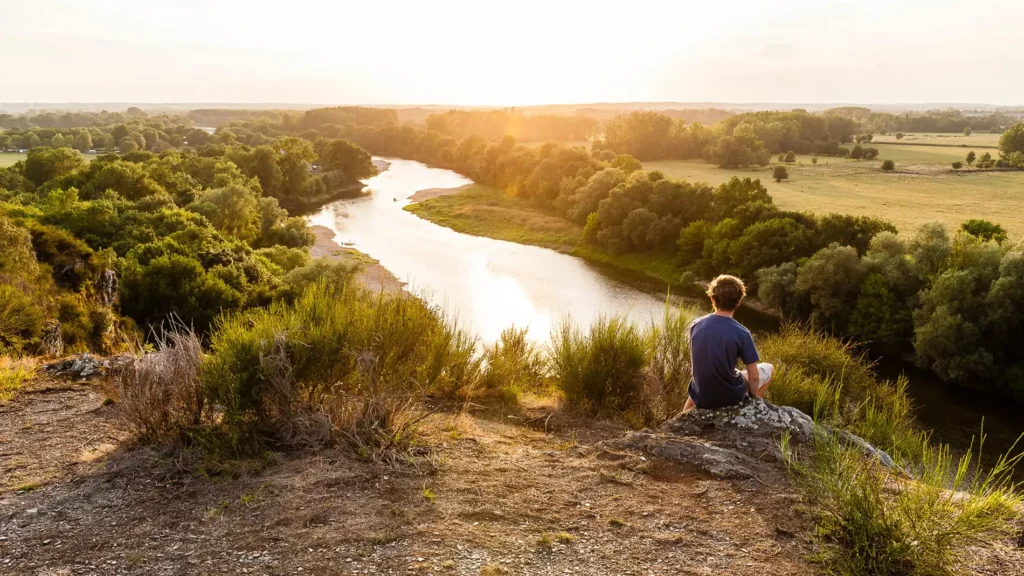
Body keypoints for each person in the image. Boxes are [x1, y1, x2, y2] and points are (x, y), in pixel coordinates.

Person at [683, 274, 773, 411]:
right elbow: (754, 377)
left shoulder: (696, 324)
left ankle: (684, 415)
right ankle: (750, 406)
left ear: (712, 299)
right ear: (738, 302)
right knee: (769, 368)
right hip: (730, 396)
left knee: (702, 381)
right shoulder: (742, 333)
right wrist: (754, 395)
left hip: (702, 394)